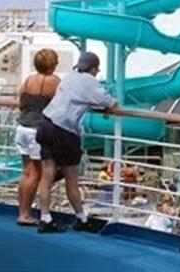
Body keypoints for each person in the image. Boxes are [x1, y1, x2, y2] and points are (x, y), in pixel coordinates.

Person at [35, 51, 117, 233]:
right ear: (93, 68)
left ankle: (45, 219)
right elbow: (109, 101)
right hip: (64, 130)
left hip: (46, 124)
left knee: (47, 176)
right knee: (71, 177)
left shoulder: (69, 76)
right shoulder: (90, 81)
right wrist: (110, 106)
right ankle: (81, 218)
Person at [15, 48, 61, 226]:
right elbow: (61, 104)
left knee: (26, 172)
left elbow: (21, 104)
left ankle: (22, 211)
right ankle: (25, 214)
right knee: (35, 173)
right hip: (37, 131)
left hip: (22, 128)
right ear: (53, 64)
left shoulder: (28, 81)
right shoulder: (54, 82)